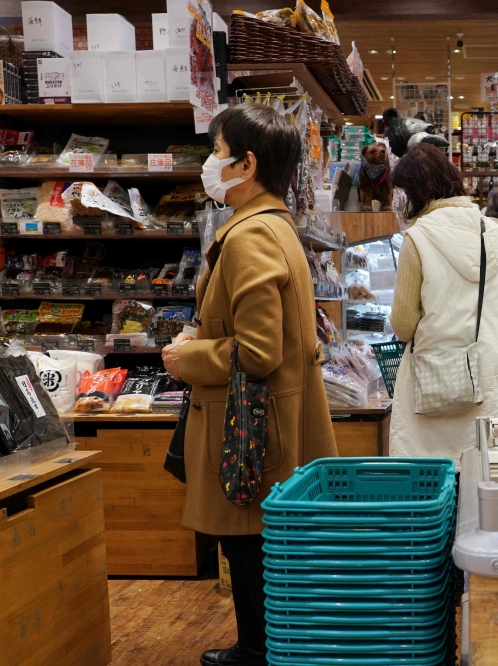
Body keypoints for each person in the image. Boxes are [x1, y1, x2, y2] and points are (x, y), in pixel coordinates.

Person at [161, 104, 338, 666]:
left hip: (252, 428)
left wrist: (189, 357)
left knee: (248, 542)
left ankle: (258, 651)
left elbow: (258, 353)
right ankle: (262, 646)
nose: (211, 164)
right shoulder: (274, 225)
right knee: (258, 544)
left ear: (248, 162)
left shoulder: (248, 236)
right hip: (273, 423)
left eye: (216, 152)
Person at [388, 143, 498, 463]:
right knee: (485, 480)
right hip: (493, 385)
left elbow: (403, 324)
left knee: (434, 483)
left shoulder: (418, 238)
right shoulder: (494, 233)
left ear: (415, 194)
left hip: (435, 389)